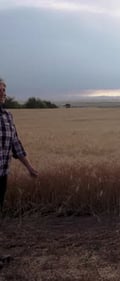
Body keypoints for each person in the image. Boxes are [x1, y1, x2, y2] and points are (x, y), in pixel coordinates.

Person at [0, 77, 39, 266]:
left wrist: (29, 167)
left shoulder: (8, 116)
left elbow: (16, 145)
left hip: (2, 174)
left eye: (4, 91)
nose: (2, 94)